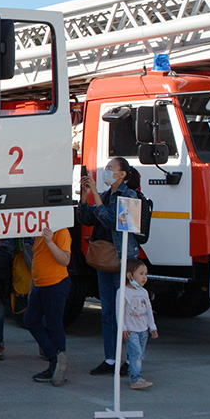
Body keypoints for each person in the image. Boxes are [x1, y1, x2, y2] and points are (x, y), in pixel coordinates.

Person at [76, 156, 142, 375]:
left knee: (126, 313)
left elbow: (112, 220)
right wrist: (86, 195)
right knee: (108, 313)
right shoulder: (104, 195)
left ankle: (131, 360)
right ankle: (111, 359)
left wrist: (95, 193)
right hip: (104, 260)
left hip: (122, 260)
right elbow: (86, 219)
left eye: (111, 168)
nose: (106, 171)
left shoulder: (129, 196)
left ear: (122, 174)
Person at [24, 225, 71, 386]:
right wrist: (32, 287)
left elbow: (65, 260)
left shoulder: (62, 231)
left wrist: (50, 242)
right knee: (30, 320)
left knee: (54, 325)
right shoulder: (40, 231)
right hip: (40, 285)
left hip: (55, 284)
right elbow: (38, 258)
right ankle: (56, 358)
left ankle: (56, 365)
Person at [122, 259, 158, 390]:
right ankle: (136, 378)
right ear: (129, 275)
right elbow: (119, 311)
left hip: (143, 329)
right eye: (141, 274)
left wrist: (152, 327)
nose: (144, 277)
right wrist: (123, 328)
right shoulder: (123, 292)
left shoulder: (144, 292)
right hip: (131, 330)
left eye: (146, 274)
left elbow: (149, 311)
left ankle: (133, 371)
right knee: (136, 353)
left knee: (140, 354)